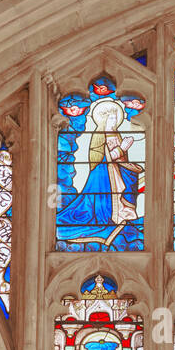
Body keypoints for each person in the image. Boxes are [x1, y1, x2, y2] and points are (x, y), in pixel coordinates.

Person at [56, 99, 143, 248]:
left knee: (130, 178)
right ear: (103, 120)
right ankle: (110, 217)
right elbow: (100, 158)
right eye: (111, 118)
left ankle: (122, 213)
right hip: (103, 176)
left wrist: (126, 157)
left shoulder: (117, 134)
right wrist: (121, 148)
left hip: (117, 171)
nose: (114, 121)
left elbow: (121, 158)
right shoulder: (99, 136)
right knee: (98, 206)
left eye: (116, 118)